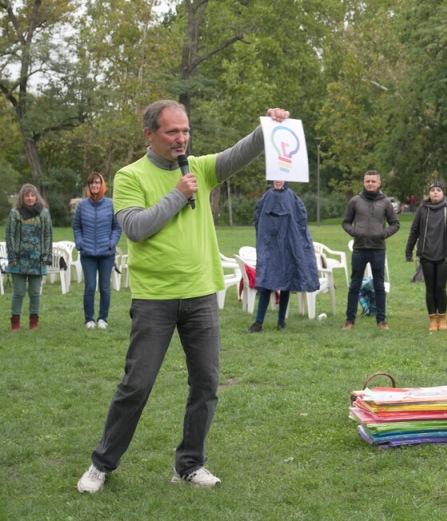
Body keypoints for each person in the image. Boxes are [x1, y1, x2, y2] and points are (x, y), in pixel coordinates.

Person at [77, 100, 290, 494]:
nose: (181, 139)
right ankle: (101, 463)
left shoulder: (201, 167)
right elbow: (136, 228)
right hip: (154, 299)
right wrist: (177, 194)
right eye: (172, 132)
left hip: (201, 295)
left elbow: (238, 154)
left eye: (186, 131)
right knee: (137, 385)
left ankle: (189, 465)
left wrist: (267, 129)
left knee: (206, 384)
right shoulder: (129, 176)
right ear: (149, 134)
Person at [246, 180, 319, 333]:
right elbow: (258, 219)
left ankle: (281, 321)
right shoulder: (266, 197)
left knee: (286, 283)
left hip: (287, 246)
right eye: (275, 178)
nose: (278, 181)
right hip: (270, 246)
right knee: (266, 283)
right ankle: (258, 322)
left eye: (281, 178)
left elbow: (300, 222)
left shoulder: (292, 198)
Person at [405, 181, 447, 331]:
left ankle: (443, 318)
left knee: (441, 287)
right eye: (432, 190)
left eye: (438, 190)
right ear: (429, 193)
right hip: (426, 254)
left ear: (443, 193)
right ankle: (432, 319)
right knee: (430, 288)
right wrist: (408, 251)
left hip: (445, 255)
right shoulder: (422, 209)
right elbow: (414, 230)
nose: (435, 192)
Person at [341, 170, 400, 330]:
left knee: (379, 286)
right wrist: (355, 232)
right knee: (354, 285)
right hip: (359, 249)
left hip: (378, 249)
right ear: (363, 182)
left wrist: (383, 234)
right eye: (368, 181)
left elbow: (395, 223)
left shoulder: (385, 202)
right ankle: (349, 321)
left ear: (379, 183)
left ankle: (381, 321)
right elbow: (346, 222)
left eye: (373, 181)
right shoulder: (355, 201)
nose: (370, 184)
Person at [72, 173, 123, 329]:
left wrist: (111, 242)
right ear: (88, 186)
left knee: (105, 288)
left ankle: (103, 319)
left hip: (106, 254)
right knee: (89, 287)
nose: (94, 186)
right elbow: (76, 226)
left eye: (97, 183)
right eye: (91, 183)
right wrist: (79, 243)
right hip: (87, 254)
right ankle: (89, 319)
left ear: (102, 185)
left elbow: (117, 227)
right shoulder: (81, 205)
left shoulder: (111, 204)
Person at [5, 184, 53, 332]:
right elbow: (9, 235)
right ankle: (15, 323)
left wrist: (46, 256)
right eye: (27, 195)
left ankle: (33, 322)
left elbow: (48, 235)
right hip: (18, 260)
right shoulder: (15, 213)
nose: (30, 198)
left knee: (34, 293)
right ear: (22, 197)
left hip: (37, 261)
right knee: (18, 292)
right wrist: (11, 256)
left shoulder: (44, 213)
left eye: (32, 195)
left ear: (36, 197)